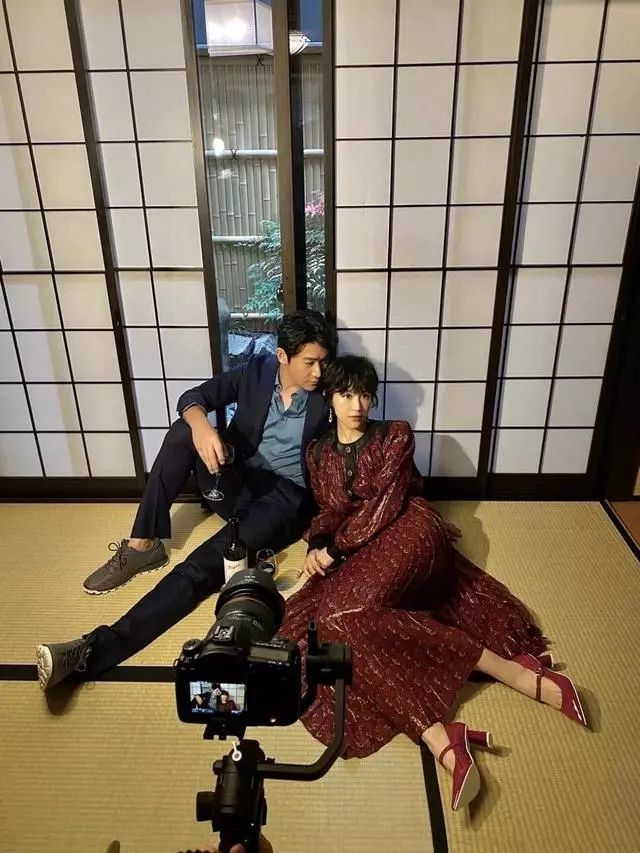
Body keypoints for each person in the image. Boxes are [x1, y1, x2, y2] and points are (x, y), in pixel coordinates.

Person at [280, 355, 589, 811]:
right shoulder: (317, 452)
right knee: (331, 622)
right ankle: (439, 734)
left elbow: (387, 504)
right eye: (346, 394)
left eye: (365, 394)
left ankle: (511, 673)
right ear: (329, 397)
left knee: (341, 618)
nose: (358, 405)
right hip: (356, 546)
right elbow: (329, 511)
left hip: (410, 529)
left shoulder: (394, 434)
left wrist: (337, 549)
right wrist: (319, 544)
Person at [36, 311, 337, 691]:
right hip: (237, 477)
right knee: (182, 431)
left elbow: (354, 441)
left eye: (324, 361)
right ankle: (142, 545)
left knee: (199, 568)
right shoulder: (257, 371)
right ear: (282, 356)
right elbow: (193, 397)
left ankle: (92, 652)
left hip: (281, 500)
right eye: (309, 362)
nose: (318, 371)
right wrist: (202, 427)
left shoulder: (330, 391)